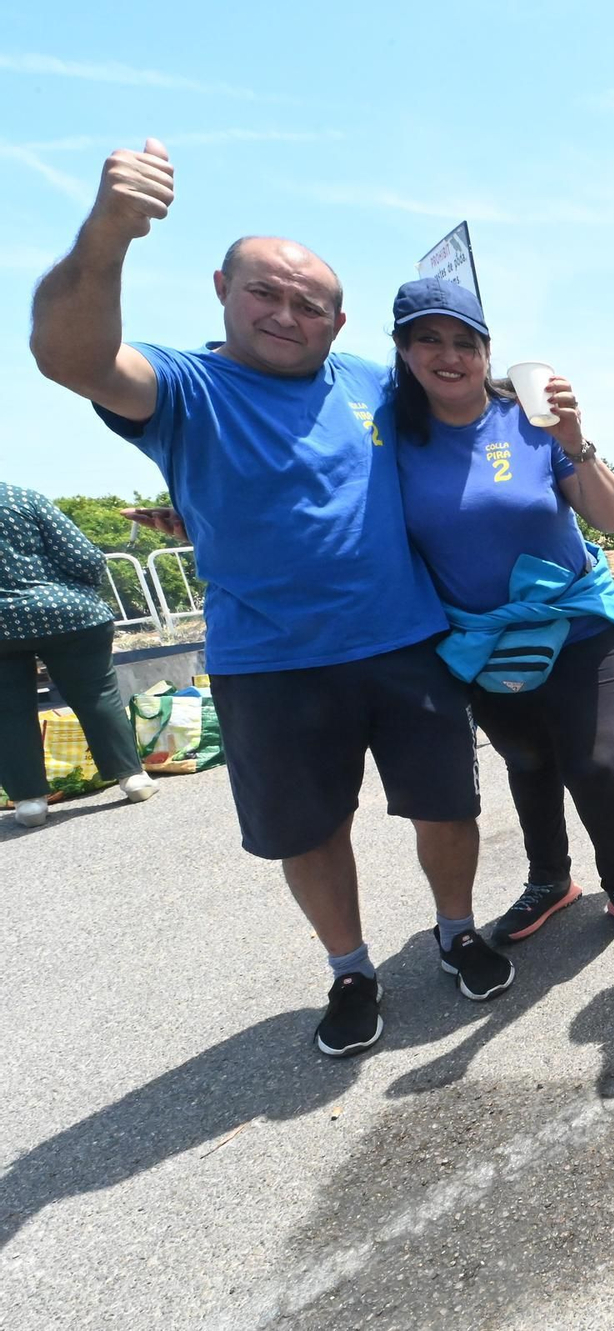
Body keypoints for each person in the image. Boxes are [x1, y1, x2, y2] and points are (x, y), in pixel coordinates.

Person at [29, 138, 507, 1060]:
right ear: (221, 288)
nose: (287, 313)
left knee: (448, 806)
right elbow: (69, 354)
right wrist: (109, 234)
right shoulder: (186, 386)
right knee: (310, 829)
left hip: (406, 642)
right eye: (266, 293)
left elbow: (466, 411)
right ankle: (353, 967)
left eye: (309, 303)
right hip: (270, 660)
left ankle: (456, 929)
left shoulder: (376, 380)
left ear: (340, 320)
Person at [387, 278, 614, 948]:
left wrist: (575, 435)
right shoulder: (396, 439)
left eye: (466, 341)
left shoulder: (528, 419)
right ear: (403, 350)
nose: (449, 354)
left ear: (489, 353)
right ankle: (550, 878)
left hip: (576, 621)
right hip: (483, 638)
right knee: (527, 760)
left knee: (596, 761)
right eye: (428, 339)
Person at [0, 482, 157, 826]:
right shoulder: (22, 498)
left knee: (7, 709)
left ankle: (29, 802)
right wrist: (83, 588)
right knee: (97, 693)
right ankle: (132, 779)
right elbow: (83, 557)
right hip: (65, 613)